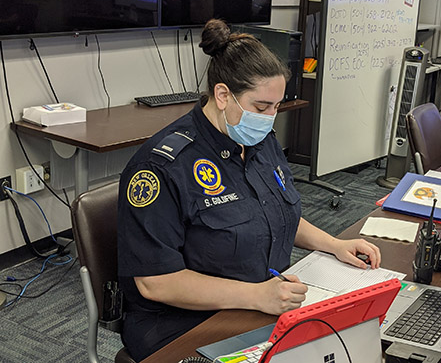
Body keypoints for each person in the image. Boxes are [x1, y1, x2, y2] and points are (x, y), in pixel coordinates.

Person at [117, 18, 382, 361]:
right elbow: (156, 282)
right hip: (182, 324)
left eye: (276, 106)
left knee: (355, 340)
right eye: (261, 107)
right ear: (223, 95)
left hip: (260, 302)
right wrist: (256, 297)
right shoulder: (161, 167)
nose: (271, 117)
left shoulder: (257, 139)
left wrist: (334, 244)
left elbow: (274, 210)